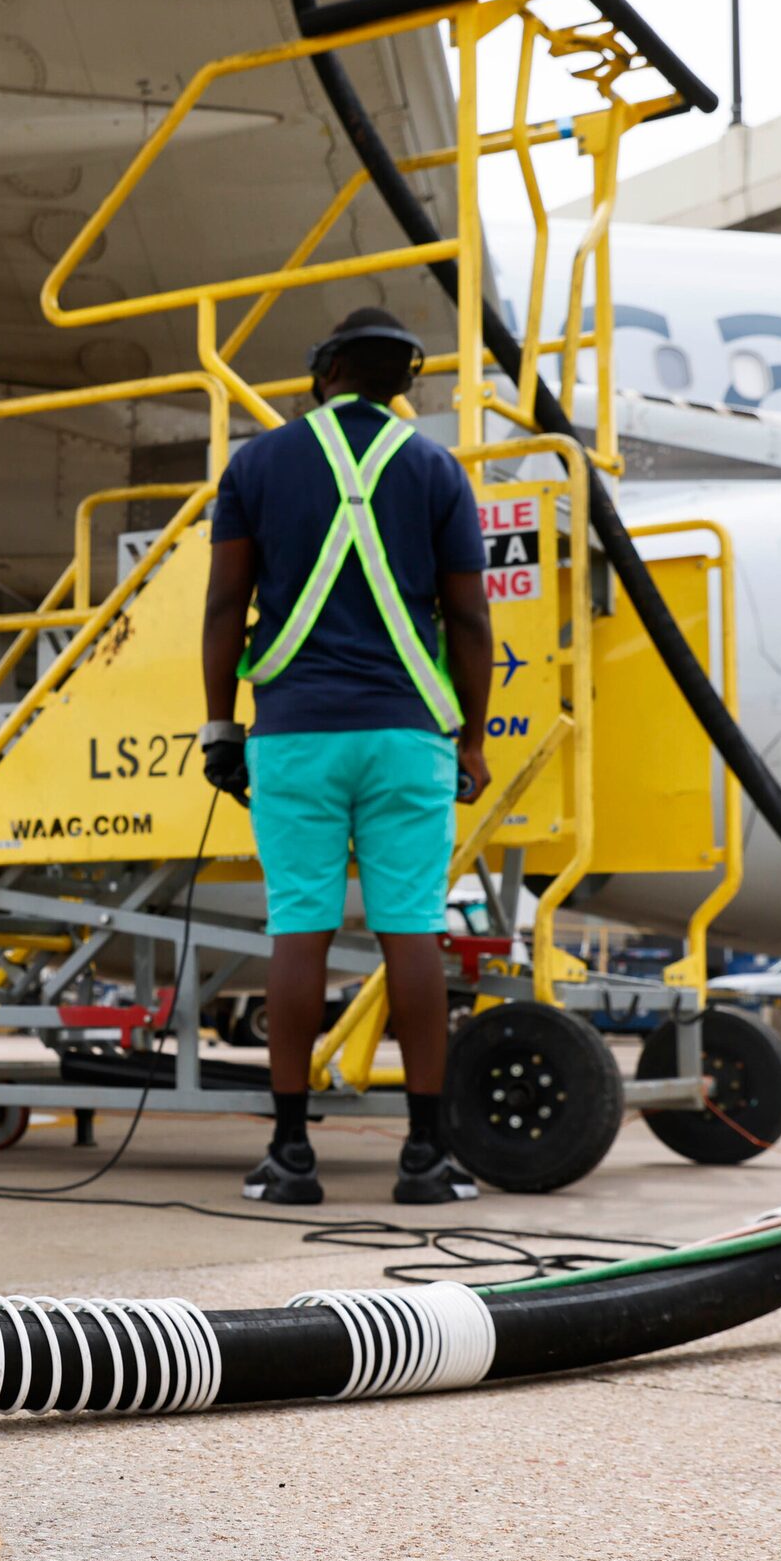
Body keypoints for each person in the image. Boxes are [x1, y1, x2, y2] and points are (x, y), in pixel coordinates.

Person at [198, 306, 495, 1205]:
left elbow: (223, 609)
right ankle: (425, 1158)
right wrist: (473, 737)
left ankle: (290, 1156)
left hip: (294, 735)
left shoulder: (256, 464)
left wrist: (221, 727)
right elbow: (471, 619)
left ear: (322, 375)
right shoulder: (437, 470)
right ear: (406, 383)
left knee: (302, 930)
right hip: (408, 737)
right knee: (411, 931)